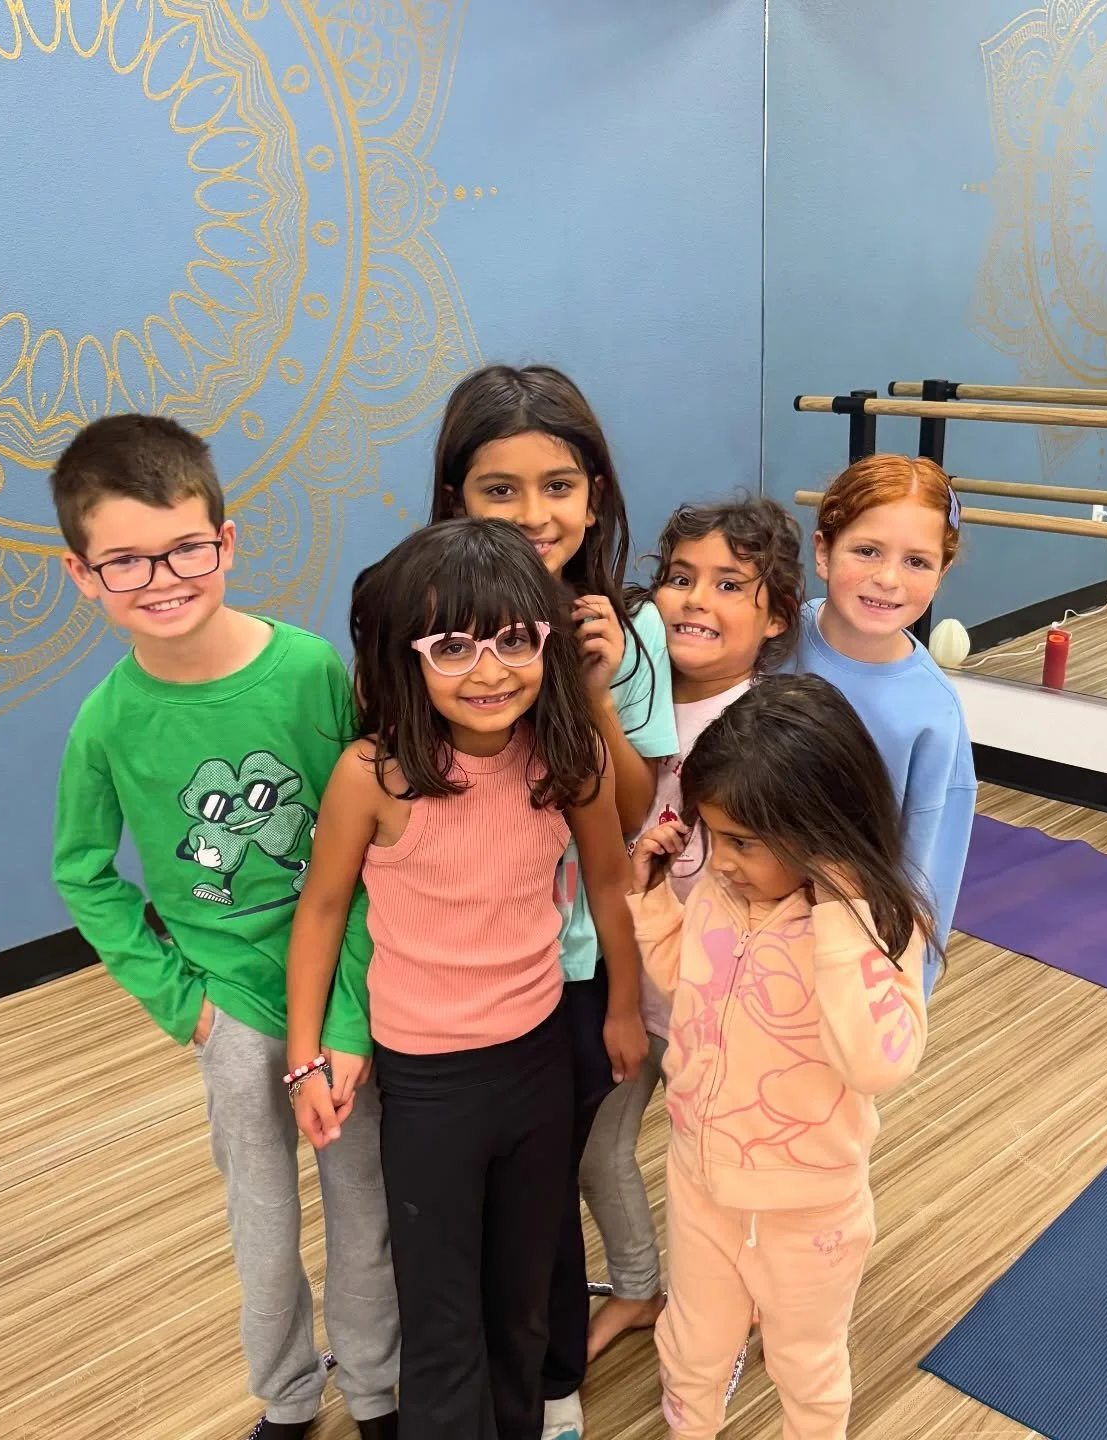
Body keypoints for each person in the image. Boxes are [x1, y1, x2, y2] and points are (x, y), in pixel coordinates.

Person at [48, 415, 399, 1440]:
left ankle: (378, 1393)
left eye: (185, 548)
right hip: (229, 1012)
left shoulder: (307, 674)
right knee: (262, 1225)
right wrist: (184, 1005)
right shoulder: (107, 723)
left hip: (336, 990)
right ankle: (290, 1400)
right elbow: (82, 871)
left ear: (226, 540)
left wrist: (344, 1014)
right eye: (124, 561)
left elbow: (370, 845)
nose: (161, 578)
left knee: (363, 1208)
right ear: (82, 573)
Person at [283, 518, 647, 1440]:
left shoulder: (570, 762)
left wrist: (627, 1006)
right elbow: (322, 912)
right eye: (452, 647)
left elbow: (609, 882)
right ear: (408, 659)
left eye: (515, 641)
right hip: (427, 1081)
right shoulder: (374, 775)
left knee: (522, 1291)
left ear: (546, 643)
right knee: (440, 1310)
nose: (489, 672)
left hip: (537, 1062)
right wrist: (303, 1055)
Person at [428, 364, 671, 1440]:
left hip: (573, 967)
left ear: (598, 493)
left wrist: (597, 689)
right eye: (501, 490)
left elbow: (624, 826)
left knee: (547, 1193)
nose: (536, 514)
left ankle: (555, 1384)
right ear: (455, 499)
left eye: (560, 485)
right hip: (455, 976)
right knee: (461, 1195)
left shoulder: (628, 630)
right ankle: (473, 1366)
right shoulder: (427, 620)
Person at [628, 676, 931, 1440]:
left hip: (809, 1211)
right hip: (701, 1180)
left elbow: (875, 1063)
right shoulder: (723, 898)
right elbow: (691, 991)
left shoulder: (880, 928)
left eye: (742, 843)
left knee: (805, 1363)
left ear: (821, 826)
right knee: (693, 1346)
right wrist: (651, 898)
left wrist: (838, 915)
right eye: (713, 835)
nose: (720, 861)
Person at [580, 497, 804, 1362]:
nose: (694, 600)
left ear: (775, 615)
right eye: (679, 578)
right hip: (633, 987)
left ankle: (740, 1300)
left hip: (729, 1010)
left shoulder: (761, 730)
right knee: (599, 1150)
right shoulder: (640, 701)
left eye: (728, 584)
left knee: (726, 1171)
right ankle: (638, 1288)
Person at [795, 454, 976, 995]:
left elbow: (925, 873)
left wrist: (899, 993)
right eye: (868, 550)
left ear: (941, 573)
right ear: (824, 551)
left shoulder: (932, 715)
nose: (888, 578)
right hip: (731, 929)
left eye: (917, 562)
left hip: (838, 960)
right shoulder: (772, 637)